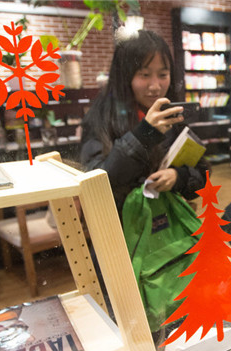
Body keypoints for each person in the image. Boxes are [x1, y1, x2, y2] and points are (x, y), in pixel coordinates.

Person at [80, 30, 209, 214]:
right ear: (125, 77)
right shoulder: (101, 117)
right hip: (120, 228)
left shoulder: (169, 113)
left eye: (163, 75)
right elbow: (96, 182)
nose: (155, 86)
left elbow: (202, 173)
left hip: (164, 226)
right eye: (144, 75)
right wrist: (145, 134)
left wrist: (177, 177)